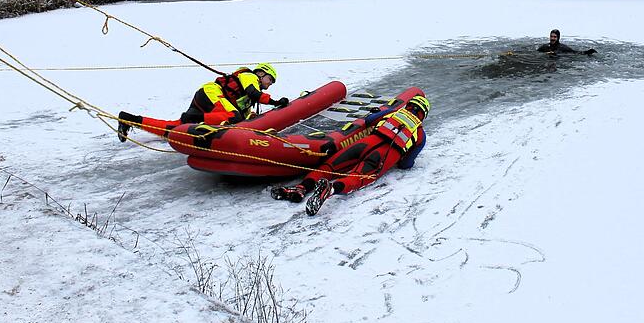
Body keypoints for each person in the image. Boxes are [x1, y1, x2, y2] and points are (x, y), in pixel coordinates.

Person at [270, 94, 430, 216]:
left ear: (408, 106)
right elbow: (406, 164)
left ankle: (302, 187)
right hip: (384, 155)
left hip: (365, 142)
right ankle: (331, 189)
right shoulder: (420, 134)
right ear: (423, 115)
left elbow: (369, 120)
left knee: (330, 166)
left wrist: (375, 114)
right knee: (358, 176)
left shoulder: (393, 113)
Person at [116, 63, 288, 142]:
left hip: (209, 103)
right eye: (270, 79)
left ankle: (129, 119)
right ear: (261, 73)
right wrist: (275, 102)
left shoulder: (248, 101)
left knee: (174, 129)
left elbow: (247, 115)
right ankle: (195, 117)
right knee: (233, 116)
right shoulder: (250, 76)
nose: (270, 84)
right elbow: (253, 92)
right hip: (211, 93)